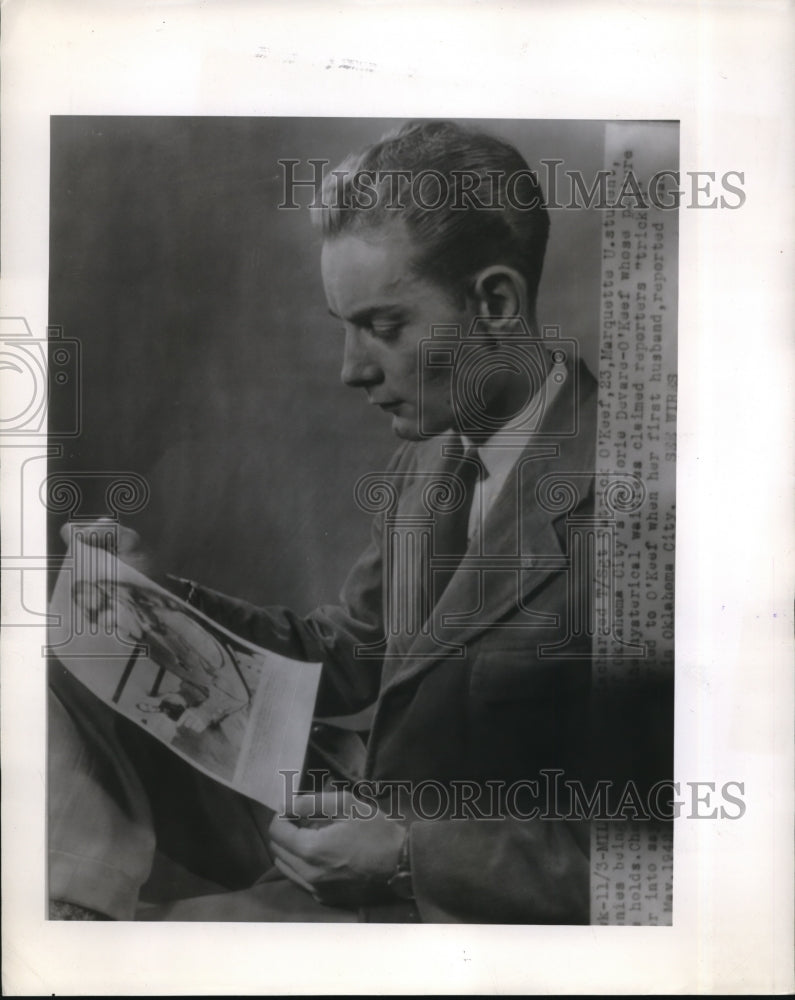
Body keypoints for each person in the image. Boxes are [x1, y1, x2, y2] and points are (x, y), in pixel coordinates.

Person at [49, 120, 600, 923]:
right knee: (58, 649)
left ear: (496, 302)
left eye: (383, 326)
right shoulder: (434, 456)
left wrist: (410, 860)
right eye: (344, 326)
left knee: (147, 945)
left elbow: (675, 859)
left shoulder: (656, 502)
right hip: (354, 852)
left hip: (468, 926)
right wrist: (151, 598)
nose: (352, 370)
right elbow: (346, 654)